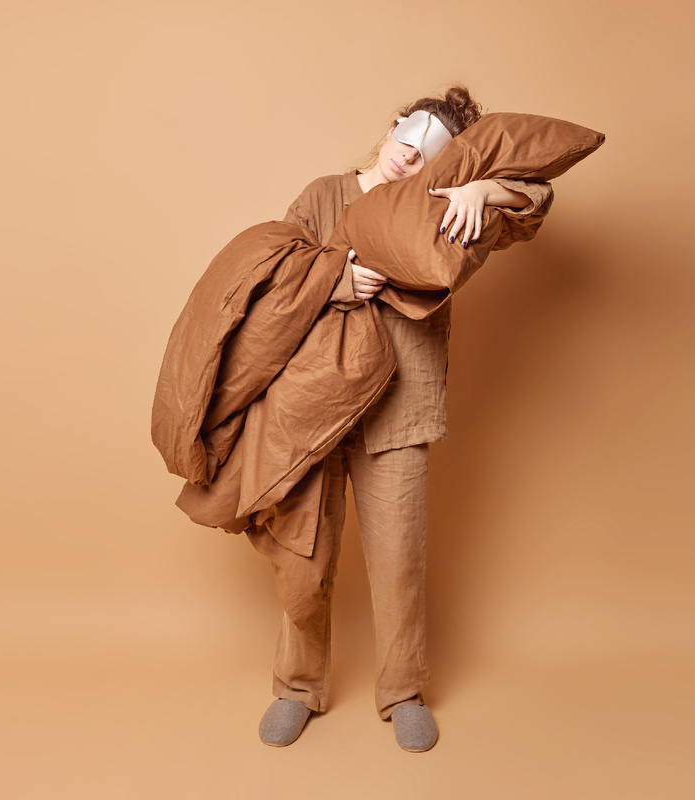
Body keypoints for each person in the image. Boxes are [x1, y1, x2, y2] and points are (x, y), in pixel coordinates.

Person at [257, 86, 554, 753]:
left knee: (399, 561)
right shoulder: (323, 196)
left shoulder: (443, 207)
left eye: (429, 156)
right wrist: (337, 283)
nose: (409, 158)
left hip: (400, 405)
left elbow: (537, 201)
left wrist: (484, 190)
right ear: (395, 125)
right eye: (408, 139)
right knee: (307, 552)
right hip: (314, 407)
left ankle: (404, 692)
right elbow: (275, 285)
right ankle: (296, 687)